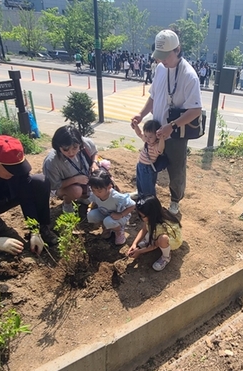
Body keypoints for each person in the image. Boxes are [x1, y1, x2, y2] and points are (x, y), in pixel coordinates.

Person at [132, 29, 203, 215]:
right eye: (159, 55)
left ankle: (174, 200)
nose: (162, 60)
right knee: (149, 161)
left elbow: (195, 110)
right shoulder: (161, 68)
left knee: (175, 167)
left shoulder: (189, 75)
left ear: (178, 50)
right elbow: (153, 97)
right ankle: (146, 193)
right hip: (156, 128)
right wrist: (140, 115)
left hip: (175, 133)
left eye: (166, 56)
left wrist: (172, 126)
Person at [42, 125, 99, 214]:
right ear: (58, 147)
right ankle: (67, 203)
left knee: (103, 176)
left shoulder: (85, 143)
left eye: (75, 148)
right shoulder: (52, 162)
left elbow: (94, 152)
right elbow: (54, 186)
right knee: (76, 190)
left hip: (86, 180)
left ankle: (84, 197)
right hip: (65, 187)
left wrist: (94, 163)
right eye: (65, 149)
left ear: (80, 143)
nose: (71, 152)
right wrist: (75, 180)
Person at [127, 195, 182, 271]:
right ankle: (149, 241)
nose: (140, 217)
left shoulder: (161, 227)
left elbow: (155, 245)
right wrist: (134, 244)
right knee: (149, 232)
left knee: (162, 239)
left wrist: (139, 251)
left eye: (142, 216)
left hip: (167, 240)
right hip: (157, 235)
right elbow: (144, 230)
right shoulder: (154, 216)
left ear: (151, 214)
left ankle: (166, 256)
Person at [86, 169, 136, 245]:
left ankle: (119, 231)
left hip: (120, 217)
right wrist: (91, 207)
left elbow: (132, 205)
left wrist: (121, 214)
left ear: (109, 187)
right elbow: (94, 201)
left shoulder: (117, 197)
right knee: (91, 215)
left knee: (109, 221)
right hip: (105, 214)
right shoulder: (95, 194)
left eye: (99, 191)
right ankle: (106, 227)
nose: (96, 193)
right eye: (93, 190)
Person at [131, 119, 165, 197]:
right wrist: (136, 126)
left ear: (156, 136)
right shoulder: (146, 141)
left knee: (147, 187)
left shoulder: (155, 145)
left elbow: (160, 149)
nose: (147, 138)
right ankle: (141, 197)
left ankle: (150, 202)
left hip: (148, 168)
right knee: (140, 183)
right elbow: (139, 133)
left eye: (150, 137)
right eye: (146, 136)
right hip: (140, 165)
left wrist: (162, 139)